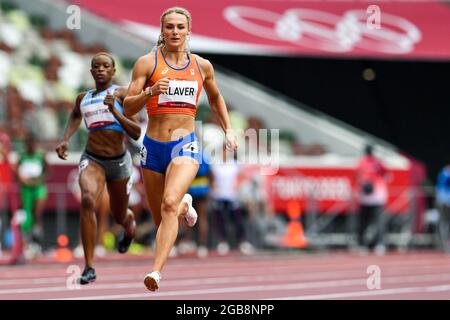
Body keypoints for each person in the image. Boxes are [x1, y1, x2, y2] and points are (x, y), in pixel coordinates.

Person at [123, 7, 237, 291]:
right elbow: (126, 106)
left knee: (169, 204)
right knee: (163, 215)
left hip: (184, 145)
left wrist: (229, 130)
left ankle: (155, 272)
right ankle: (186, 204)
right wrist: (150, 92)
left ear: (189, 31)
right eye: (170, 27)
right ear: (162, 31)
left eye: (180, 27)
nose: (175, 32)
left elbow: (216, 98)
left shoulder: (201, 66)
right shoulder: (147, 64)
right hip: (153, 147)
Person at [55, 52, 141, 284]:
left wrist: (115, 112)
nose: (101, 69)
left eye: (106, 66)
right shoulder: (82, 98)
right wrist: (65, 139)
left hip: (120, 161)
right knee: (88, 200)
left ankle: (129, 228)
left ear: (113, 72)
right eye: (96, 66)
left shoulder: (123, 94)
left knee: (120, 214)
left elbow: (136, 132)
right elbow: (74, 116)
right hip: (93, 159)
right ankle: (89, 266)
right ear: (92, 72)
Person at [16, 135, 48, 258]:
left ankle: (37, 244)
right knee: (27, 216)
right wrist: (21, 179)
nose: (31, 147)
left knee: (37, 214)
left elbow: (48, 172)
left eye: (32, 144)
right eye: (28, 145)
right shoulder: (22, 156)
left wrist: (39, 179)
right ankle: (28, 244)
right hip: (26, 189)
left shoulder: (41, 155)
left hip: (38, 188)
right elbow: (17, 173)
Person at [355, 144, 389, 254]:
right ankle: (363, 244)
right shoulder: (363, 162)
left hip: (377, 197)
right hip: (366, 197)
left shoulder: (376, 162)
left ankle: (379, 243)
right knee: (365, 222)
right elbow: (358, 177)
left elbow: (387, 175)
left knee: (377, 221)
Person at [435, 163, 450, 252]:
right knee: (444, 223)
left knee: (445, 223)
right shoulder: (445, 172)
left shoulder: (444, 172)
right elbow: (441, 188)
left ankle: (444, 244)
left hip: (444, 201)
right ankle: (443, 244)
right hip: (444, 201)